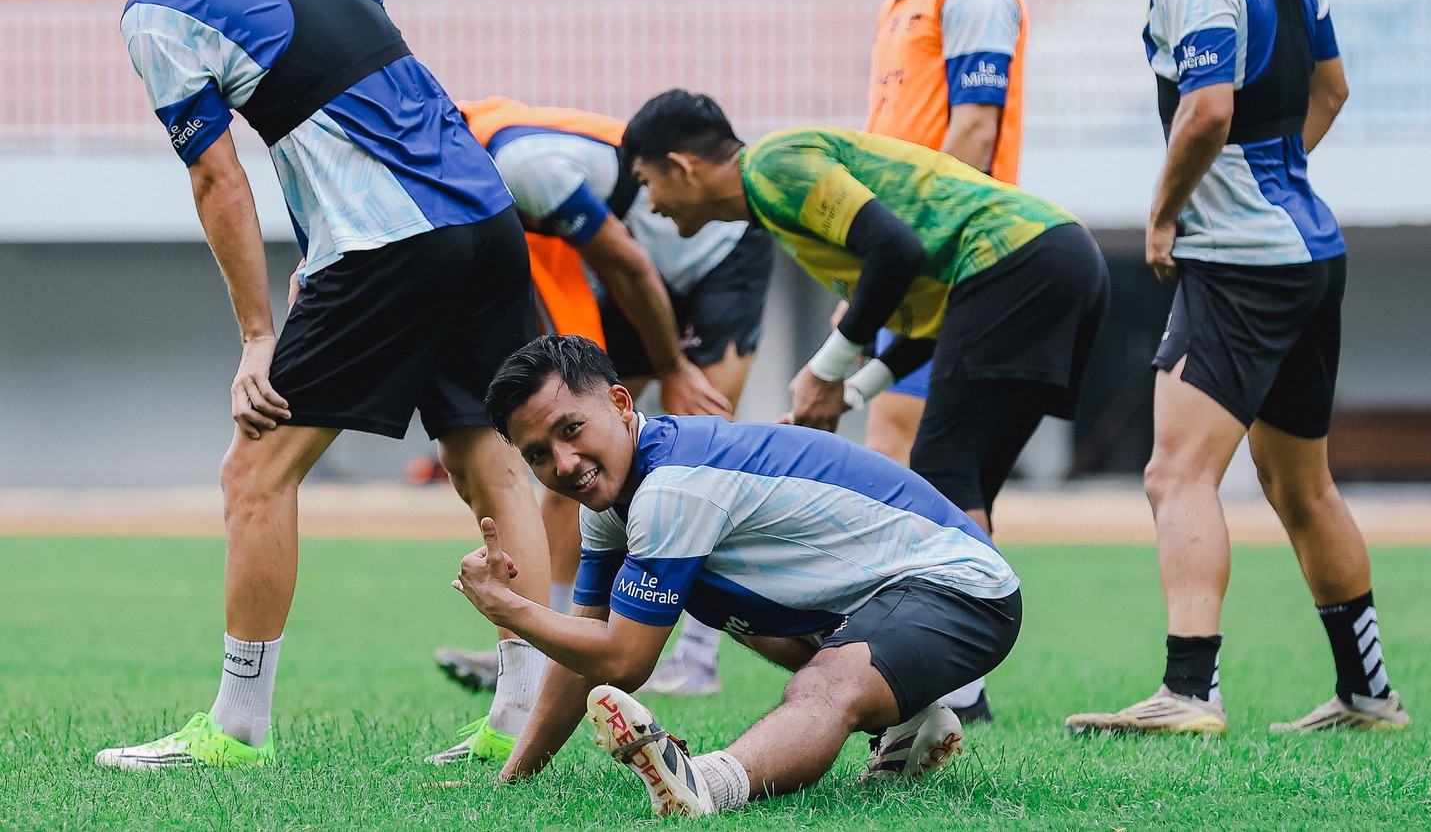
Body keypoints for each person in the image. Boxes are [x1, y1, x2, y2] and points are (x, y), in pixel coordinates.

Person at [80, 0, 549, 770]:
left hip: (391, 238)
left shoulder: (160, 1)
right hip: (484, 211)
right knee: (488, 458)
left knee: (255, 468)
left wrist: (258, 335)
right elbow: (366, 103)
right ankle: (520, 724)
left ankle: (236, 729)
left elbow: (219, 178)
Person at [1065, 0, 1409, 736]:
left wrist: (1166, 213)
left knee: (1173, 473)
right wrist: (1273, 180)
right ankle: (1367, 694)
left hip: (1239, 265)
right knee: (1301, 484)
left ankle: (1189, 692)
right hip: (1308, 251)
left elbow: (1207, 107)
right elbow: (1332, 89)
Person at [450, 333, 1022, 817]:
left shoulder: (672, 488)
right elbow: (584, 657)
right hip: (879, 598)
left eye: (571, 429)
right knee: (725, 603)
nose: (563, 463)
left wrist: (509, 608)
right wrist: (513, 782)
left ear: (621, 403)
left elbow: (622, 661)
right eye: (538, 454)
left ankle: (706, 785)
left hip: (964, 588)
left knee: (822, 686)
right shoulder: (615, 496)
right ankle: (913, 724)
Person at [622, 90, 1108, 552]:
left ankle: (961, 608)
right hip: (1063, 260)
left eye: (646, 184)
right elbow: (935, 321)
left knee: (942, 472)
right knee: (966, 479)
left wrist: (823, 371)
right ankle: (978, 603)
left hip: (1017, 262)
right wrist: (849, 393)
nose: (652, 206)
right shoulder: (772, 206)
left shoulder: (771, 164)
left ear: (681, 167)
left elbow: (895, 252)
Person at [432, 97, 773, 706]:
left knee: (702, 457)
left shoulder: (521, 166)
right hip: (640, 277)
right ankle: (548, 641)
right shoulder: (466, 170)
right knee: (572, 449)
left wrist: (673, 368)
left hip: (715, 263)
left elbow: (628, 262)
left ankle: (698, 658)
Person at [829, 0, 1030, 722]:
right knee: (917, 462)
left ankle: (955, 677)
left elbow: (974, 134)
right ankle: (949, 678)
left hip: (955, 267)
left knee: (916, 463)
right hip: (919, 273)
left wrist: (922, 263)